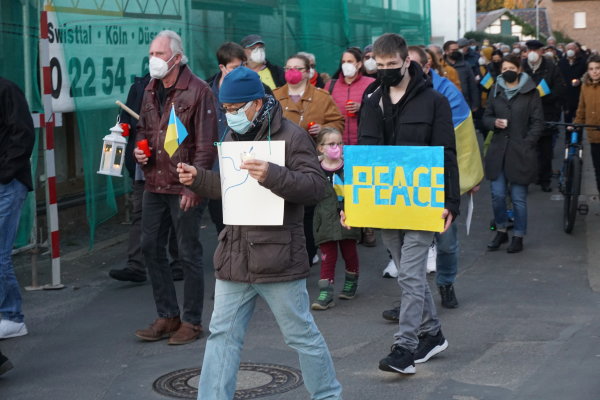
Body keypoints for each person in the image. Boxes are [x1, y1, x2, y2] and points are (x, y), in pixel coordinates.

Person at [177, 66, 343, 400]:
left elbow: (314, 188)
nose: (230, 115)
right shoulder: (231, 135)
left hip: (277, 256)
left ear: (256, 103)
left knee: (300, 334)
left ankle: (327, 396)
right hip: (235, 255)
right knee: (221, 335)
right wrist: (197, 178)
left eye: (235, 109)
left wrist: (272, 174)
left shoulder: (293, 136)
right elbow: (229, 186)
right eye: (225, 109)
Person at [356, 33, 460, 374]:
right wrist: (353, 203)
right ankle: (433, 334)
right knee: (407, 274)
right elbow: (366, 152)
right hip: (385, 200)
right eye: (379, 65)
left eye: (391, 65)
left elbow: (447, 153)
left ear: (406, 62)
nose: (384, 70)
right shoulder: (371, 98)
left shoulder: (434, 101)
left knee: (412, 274)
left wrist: (450, 203)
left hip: (422, 199)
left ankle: (405, 347)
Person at [133, 30, 217, 345]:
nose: (153, 60)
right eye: (151, 53)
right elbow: (143, 128)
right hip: (154, 181)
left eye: (159, 54)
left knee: (188, 252)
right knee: (150, 246)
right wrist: (140, 150)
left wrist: (195, 187)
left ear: (177, 58)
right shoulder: (150, 89)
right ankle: (168, 315)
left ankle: (192, 321)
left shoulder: (199, 91)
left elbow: (207, 144)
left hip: (185, 182)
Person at [108, 74, 184, 283]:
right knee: (140, 213)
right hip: (144, 166)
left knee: (176, 214)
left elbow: (186, 129)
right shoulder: (139, 87)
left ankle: (180, 262)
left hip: (173, 166)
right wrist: (124, 130)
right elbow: (126, 120)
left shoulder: (185, 89)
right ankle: (136, 264)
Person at [274, 53, 344, 265]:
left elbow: (338, 124)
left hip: (313, 160)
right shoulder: (276, 96)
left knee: (310, 210)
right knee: (284, 208)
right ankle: (285, 249)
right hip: (281, 160)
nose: (291, 72)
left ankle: (310, 249)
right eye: (288, 67)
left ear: (307, 72)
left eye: (297, 67)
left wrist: (324, 130)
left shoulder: (322, 97)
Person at [484, 54, 544, 253]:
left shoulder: (531, 92)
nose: (506, 72)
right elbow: (485, 117)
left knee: (518, 197)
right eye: (503, 69)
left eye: (510, 68)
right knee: (497, 195)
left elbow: (538, 122)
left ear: (519, 69)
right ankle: (501, 230)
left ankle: (518, 235)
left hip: (520, 151)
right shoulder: (496, 89)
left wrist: (528, 143)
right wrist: (494, 123)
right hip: (499, 150)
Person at [311, 127, 361, 310]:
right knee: (327, 256)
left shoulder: (349, 167)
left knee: (349, 252)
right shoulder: (314, 169)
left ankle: (351, 281)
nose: (336, 147)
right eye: (331, 144)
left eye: (340, 143)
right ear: (320, 148)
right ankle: (326, 292)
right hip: (324, 220)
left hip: (347, 219)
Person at [0, 77, 35, 340]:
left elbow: (23, 134)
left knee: (0, 253)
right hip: (7, 181)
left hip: (8, 184)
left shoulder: (7, 89)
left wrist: (4, 174)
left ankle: (12, 315)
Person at [522, 39, 567, 192]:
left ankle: (544, 180)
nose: (533, 53)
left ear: (541, 51)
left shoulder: (551, 67)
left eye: (536, 49)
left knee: (545, 150)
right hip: (526, 115)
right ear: (526, 52)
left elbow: (560, 88)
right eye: (530, 50)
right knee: (527, 150)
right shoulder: (521, 66)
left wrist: (546, 97)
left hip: (546, 113)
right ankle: (526, 180)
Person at [325, 47, 375, 146]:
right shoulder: (330, 85)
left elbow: (380, 109)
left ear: (359, 64)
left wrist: (362, 107)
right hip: (337, 142)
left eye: (350, 61)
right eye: (343, 62)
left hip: (363, 141)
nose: (346, 64)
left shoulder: (371, 83)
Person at [573, 54, 600, 193]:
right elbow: (582, 108)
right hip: (593, 134)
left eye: (597, 68)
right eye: (591, 69)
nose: (595, 71)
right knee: (598, 169)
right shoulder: (585, 86)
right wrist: (576, 123)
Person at [444, 40, 480, 112]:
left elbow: (472, 85)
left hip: (464, 102)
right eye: (453, 50)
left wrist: (475, 104)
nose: (456, 52)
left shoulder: (465, 65)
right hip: (446, 103)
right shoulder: (442, 66)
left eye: (457, 50)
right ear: (446, 51)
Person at [559, 42, 588, 123]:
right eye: (568, 49)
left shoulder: (583, 61)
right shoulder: (562, 62)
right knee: (567, 121)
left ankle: (578, 134)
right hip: (566, 97)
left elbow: (586, 74)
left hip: (578, 94)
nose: (570, 51)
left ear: (576, 49)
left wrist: (580, 80)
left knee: (579, 120)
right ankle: (567, 135)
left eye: (572, 49)